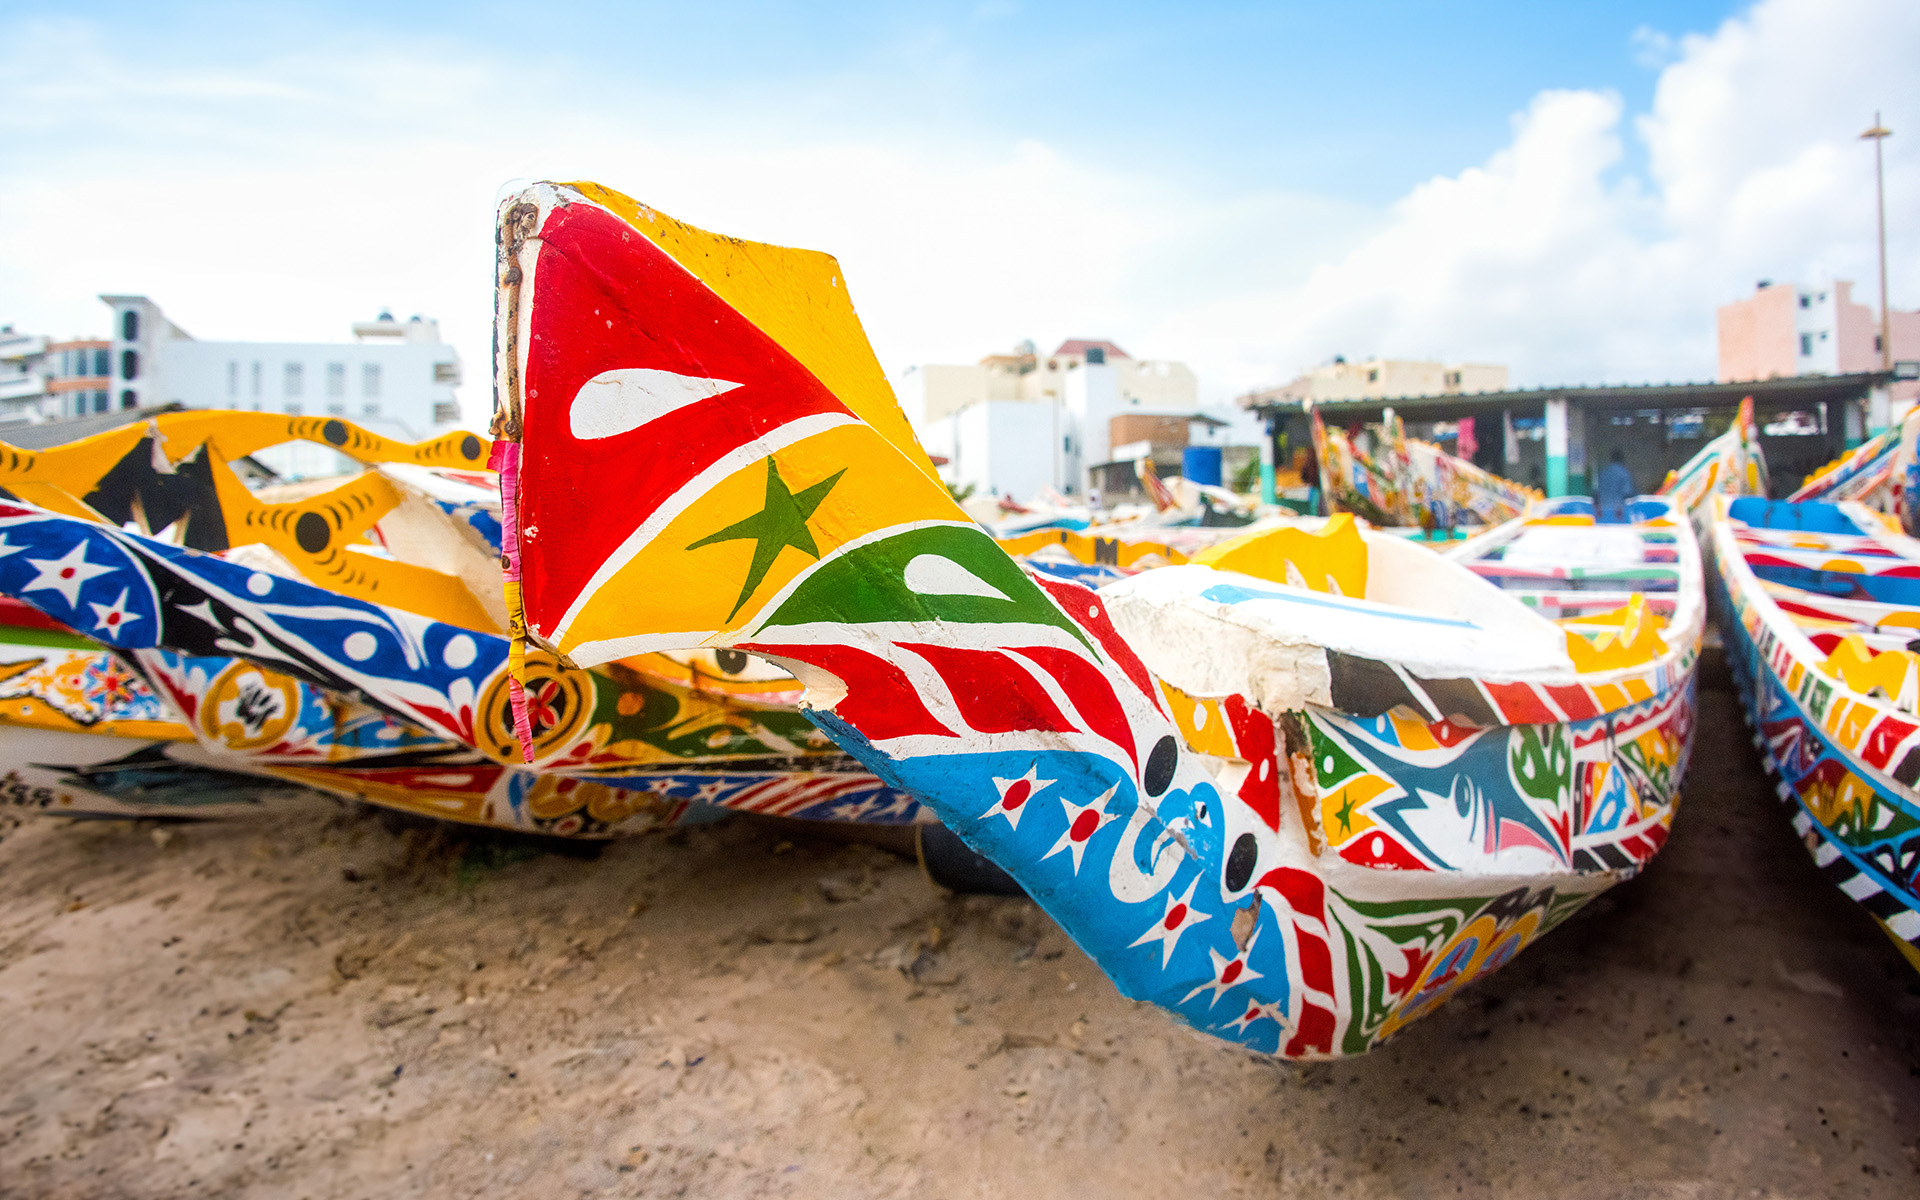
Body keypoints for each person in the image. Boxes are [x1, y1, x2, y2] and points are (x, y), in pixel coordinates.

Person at [1598, 448, 1634, 523]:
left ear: (1611, 459)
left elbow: (1597, 492)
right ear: (1622, 459)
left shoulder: (1604, 472)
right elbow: (1627, 493)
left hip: (1603, 511)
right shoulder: (1624, 473)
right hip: (1618, 512)